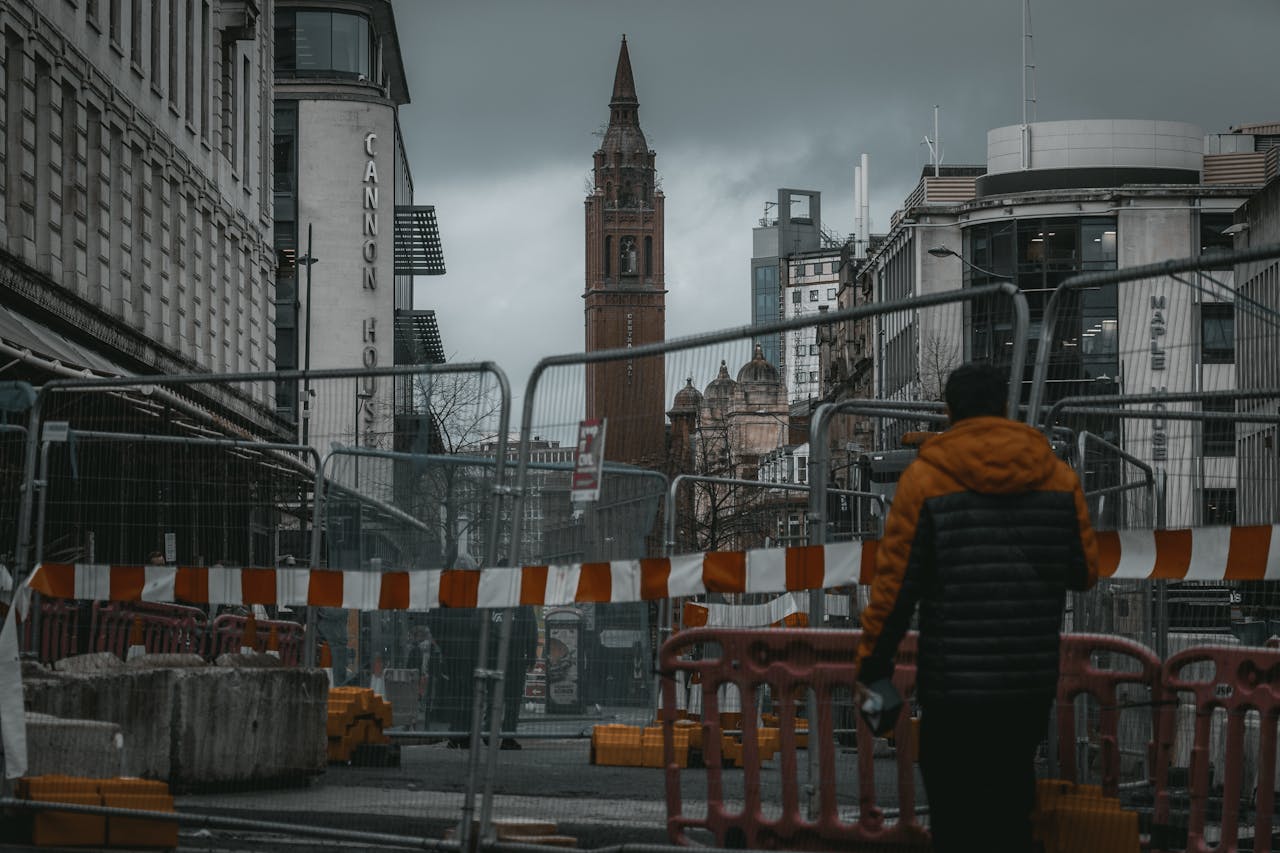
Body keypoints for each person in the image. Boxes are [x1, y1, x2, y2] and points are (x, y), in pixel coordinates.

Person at [854, 362, 1099, 853]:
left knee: (956, 811)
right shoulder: (1057, 476)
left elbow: (895, 588)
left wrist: (874, 667)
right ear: (1005, 407)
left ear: (949, 411)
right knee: (1012, 801)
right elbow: (1083, 572)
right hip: (1028, 681)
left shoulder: (925, 479)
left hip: (954, 686)